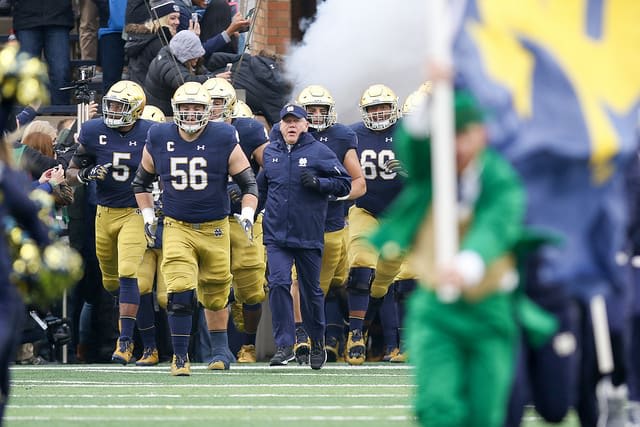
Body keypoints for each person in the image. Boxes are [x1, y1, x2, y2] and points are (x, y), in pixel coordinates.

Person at [369, 89, 556, 427]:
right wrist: (429, 101)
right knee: (437, 407)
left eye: (462, 135)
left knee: (485, 413)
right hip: (437, 310)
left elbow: (494, 228)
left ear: (481, 134)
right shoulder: (433, 172)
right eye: (448, 135)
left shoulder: (501, 180)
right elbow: (411, 149)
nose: (455, 145)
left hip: (489, 310)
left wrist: (468, 264)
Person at [133, 81, 259, 376]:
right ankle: (180, 356)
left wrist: (249, 212)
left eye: (197, 108)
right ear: (175, 110)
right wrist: (149, 215)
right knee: (179, 288)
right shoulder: (159, 135)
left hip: (216, 226)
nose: (191, 114)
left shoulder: (224, 135)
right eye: (185, 108)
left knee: (216, 291)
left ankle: (219, 350)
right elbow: (141, 181)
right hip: (177, 225)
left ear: (208, 110)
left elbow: (248, 183)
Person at [66, 80, 153, 365]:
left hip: (135, 210)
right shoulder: (93, 130)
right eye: (111, 105)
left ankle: (125, 342)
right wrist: (86, 175)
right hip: (104, 212)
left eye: (120, 106)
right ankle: (141, 339)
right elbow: (72, 171)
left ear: (137, 109)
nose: (113, 111)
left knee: (129, 272)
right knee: (111, 281)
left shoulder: (152, 132)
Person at [259, 103, 351, 370]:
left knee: (312, 292)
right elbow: (263, 187)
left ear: (305, 125)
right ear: (279, 125)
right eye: (286, 121)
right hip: (276, 234)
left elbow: (344, 182)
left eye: (296, 121)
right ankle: (285, 345)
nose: (291, 125)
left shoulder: (320, 152)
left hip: (308, 234)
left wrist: (320, 184)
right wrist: (250, 208)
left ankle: (317, 341)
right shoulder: (271, 152)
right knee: (277, 283)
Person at [203, 77, 268, 363]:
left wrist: (249, 190)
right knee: (212, 284)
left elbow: (273, 166)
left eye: (217, 102)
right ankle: (213, 348)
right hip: (208, 217)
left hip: (244, 215)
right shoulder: (185, 130)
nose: (212, 108)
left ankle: (249, 344)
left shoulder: (249, 129)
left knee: (252, 287)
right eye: (208, 102)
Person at [344, 83, 406, 365]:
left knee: (386, 278)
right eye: (373, 108)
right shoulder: (353, 134)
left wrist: (411, 172)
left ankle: (369, 325)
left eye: (383, 107)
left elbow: (432, 173)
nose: (379, 113)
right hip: (365, 209)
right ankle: (355, 334)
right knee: (360, 264)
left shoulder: (409, 132)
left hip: (399, 214)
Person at [12, 0, 73, 105]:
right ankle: (26, 115)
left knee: (61, 71)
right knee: (28, 72)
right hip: (26, 17)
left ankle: (61, 114)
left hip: (58, 16)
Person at [145, 29, 216, 115]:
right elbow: (186, 83)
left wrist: (212, 76)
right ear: (185, 55)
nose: (195, 62)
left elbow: (200, 70)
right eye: (193, 58)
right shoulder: (167, 63)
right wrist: (212, 79)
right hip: (164, 113)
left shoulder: (174, 55)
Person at [125, 0, 181, 87]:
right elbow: (175, 74)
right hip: (150, 94)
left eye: (178, 18)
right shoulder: (158, 43)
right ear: (161, 19)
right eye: (173, 18)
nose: (177, 22)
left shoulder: (149, 37)